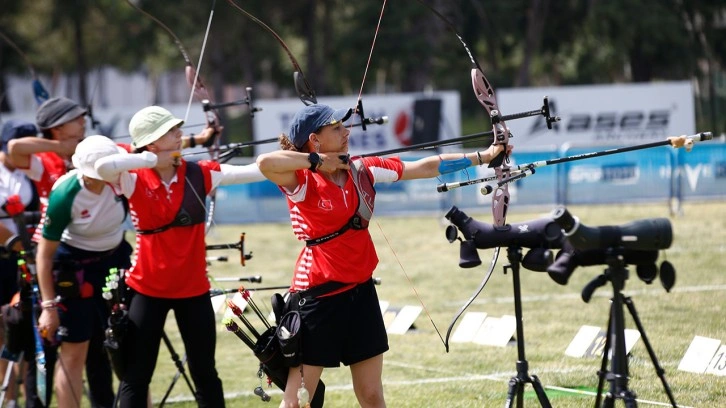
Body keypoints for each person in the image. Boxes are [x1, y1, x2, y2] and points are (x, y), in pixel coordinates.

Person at [256, 103, 510, 408]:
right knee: (299, 401)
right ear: (316, 139)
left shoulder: (360, 169)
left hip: (360, 293)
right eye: (336, 127)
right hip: (317, 298)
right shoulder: (301, 179)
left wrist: (484, 156)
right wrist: (315, 162)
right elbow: (264, 162)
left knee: (372, 395)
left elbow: (426, 166)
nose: (346, 131)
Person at [94, 105, 266, 407]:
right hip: (147, 290)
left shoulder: (200, 174)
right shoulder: (133, 176)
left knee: (205, 373)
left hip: (194, 290)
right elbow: (102, 167)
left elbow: (254, 171)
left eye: (177, 130)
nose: (181, 136)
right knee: (136, 376)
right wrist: (147, 159)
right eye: (171, 132)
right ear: (152, 142)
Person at [34, 136, 134, 408]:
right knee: (75, 351)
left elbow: (153, 152)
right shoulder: (66, 194)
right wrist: (49, 305)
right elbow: (44, 255)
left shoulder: (122, 174)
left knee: (126, 347)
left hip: (115, 262)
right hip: (75, 271)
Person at [0, 120, 40, 408]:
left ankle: (30, 396)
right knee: (3, 329)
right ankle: (7, 397)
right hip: (4, 259)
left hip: (25, 260)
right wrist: (15, 242)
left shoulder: (31, 173)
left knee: (24, 325)